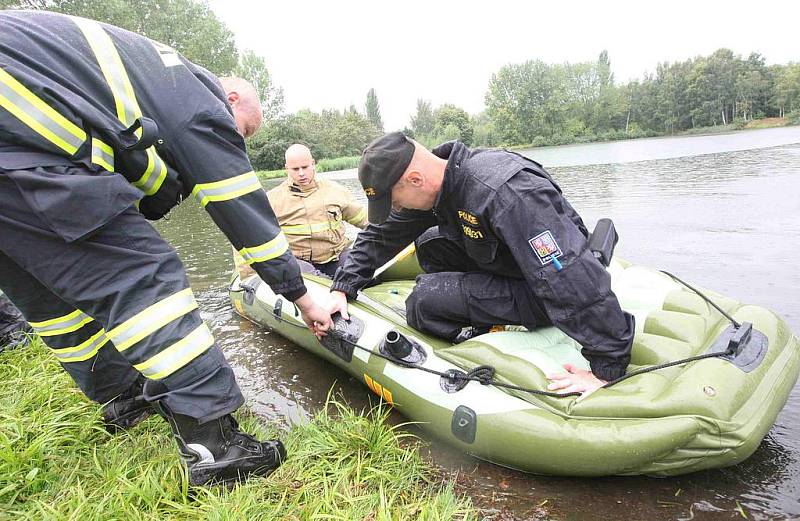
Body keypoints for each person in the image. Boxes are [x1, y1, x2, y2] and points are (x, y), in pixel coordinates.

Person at [0, 11, 331, 486]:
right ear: (230, 98)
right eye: (242, 131)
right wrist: (300, 295)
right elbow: (238, 203)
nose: (233, 141)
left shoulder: (134, 75)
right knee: (145, 278)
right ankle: (215, 447)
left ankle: (126, 400)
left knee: (51, 298)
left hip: (16, 143)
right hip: (24, 145)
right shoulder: (191, 92)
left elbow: (143, 175)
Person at [323, 132, 635, 397]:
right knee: (431, 244)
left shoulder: (504, 193)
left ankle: (486, 327)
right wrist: (342, 287)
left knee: (423, 301)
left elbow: (567, 273)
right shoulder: (445, 182)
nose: (396, 209)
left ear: (415, 179)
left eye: (395, 200)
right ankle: (485, 314)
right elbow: (382, 234)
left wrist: (607, 367)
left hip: (545, 289)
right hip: (515, 266)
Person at [269, 144, 368, 276]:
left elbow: (365, 220)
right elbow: (256, 238)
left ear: (313, 163)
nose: (301, 173)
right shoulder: (273, 199)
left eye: (305, 167)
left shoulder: (335, 191)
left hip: (335, 257)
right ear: (286, 168)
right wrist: (250, 277)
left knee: (365, 267)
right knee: (315, 284)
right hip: (298, 263)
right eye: (295, 169)